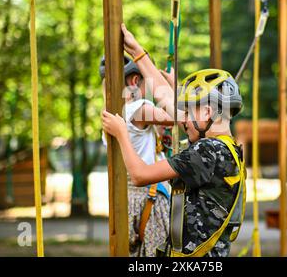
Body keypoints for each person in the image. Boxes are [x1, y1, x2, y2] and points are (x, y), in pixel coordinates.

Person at [102, 24, 246, 257]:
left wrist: (121, 134)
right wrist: (139, 54)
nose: (182, 118)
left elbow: (140, 175)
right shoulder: (224, 148)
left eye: (189, 112)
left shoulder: (206, 152)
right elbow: (165, 98)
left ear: (207, 113)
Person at [100, 55, 173, 257]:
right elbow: (177, 116)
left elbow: (151, 139)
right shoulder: (138, 108)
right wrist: (171, 87)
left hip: (125, 199)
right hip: (149, 201)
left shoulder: (111, 115)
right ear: (134, 81)